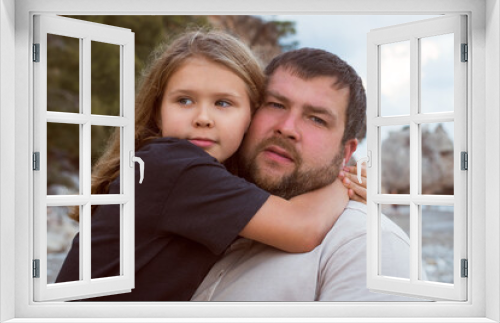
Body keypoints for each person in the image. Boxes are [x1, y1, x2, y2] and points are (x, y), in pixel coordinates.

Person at [55, 31, 350, 301]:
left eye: (223, 103)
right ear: (158, 112)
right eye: (184, 100)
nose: (203, 118)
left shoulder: (191, 173)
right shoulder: (173, 168)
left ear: (251, 116)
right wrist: (343, 181)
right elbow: (301, 229)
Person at [191, 48, 414, 301]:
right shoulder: (203, 202)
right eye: (275, 104)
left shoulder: (368, 246)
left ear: (346, 151)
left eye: (317, 119)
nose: (286, 128)